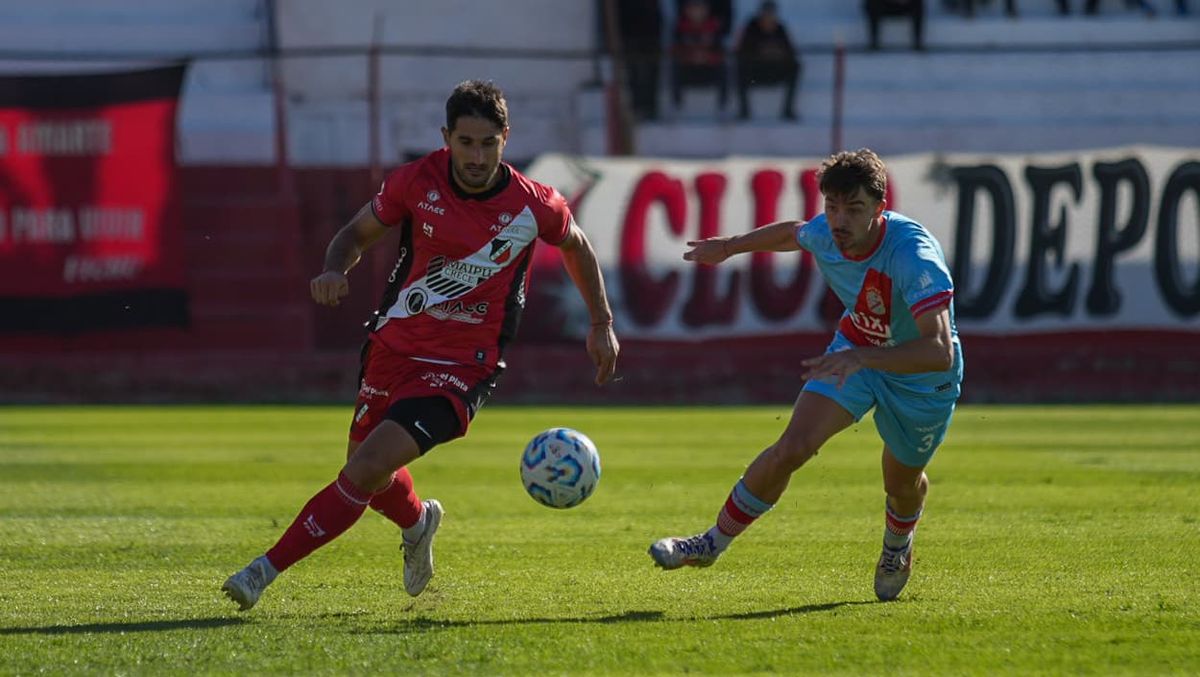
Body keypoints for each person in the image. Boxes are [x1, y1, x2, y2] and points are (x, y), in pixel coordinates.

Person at [222, 80, 620, 611]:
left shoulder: (533, 204)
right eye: (465, 142)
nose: (476, 156)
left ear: (506, 139)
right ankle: (418, 522)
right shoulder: (415, 181)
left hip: (464, 366)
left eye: (487, 143)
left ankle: (261, 571)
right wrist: (333, 269)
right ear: (446, 138)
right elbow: (355, 234)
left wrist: (601, 322)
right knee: (370, 469)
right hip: (393, 346)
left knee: (362, 471)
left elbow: (576, 245)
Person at [649, 148, 963, 602]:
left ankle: (897, 544)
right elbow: (794, 234)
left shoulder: (915, 258)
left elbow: (938, 351)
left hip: (920, 376)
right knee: (791, 448)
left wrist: (863, 359)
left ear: (880, 207)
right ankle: (710, 543)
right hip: (856, 352)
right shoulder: (829, 232)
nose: (839, 220)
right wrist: (730, 246)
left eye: (854, 209)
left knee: (901, 483)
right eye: (832, 207)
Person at [735, 0, 802, 121]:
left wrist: (777, 54)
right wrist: (761, 54)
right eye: (765, 14)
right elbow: (740, 52)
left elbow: (791, 53)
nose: (768, 18)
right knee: (740, 67)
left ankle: (788, 109)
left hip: (774, 71)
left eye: (771, 15)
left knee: (795, 66)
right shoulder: (751, 28)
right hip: (755, 74)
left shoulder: (780, 29)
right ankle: (744, 110)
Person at [671, 0, 729, 112]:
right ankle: (676, 105)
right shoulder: (680, 27)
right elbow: (675, 50)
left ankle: (723, 106)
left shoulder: (714, 26)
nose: (696, 12)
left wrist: (707, 57)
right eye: (693, 8)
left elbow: (720, 51)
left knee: (723, 68)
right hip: (688, 70)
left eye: (700, 8)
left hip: (709, 70)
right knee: (675, 67)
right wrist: (691, 57)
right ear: (687, 10)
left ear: (706, 10)